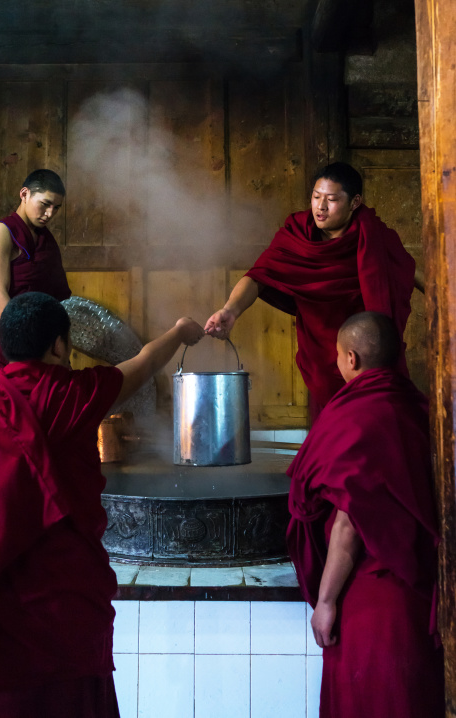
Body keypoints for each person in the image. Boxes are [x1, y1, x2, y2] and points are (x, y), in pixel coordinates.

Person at [0, 291, 205, 718]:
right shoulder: (70, 394)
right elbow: (140, 366)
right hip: (61, 608)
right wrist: (178, 332)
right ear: (58, 345)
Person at [286, 311, 444, 718]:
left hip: (373, 599)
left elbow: (349, 522)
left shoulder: (356, 416)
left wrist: (325, 601)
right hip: (419, 591)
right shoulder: (421, 409)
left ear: (351, 358)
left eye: (338, 356)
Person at [204, 163, 415, 415]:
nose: (320, 207)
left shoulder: (373, 236)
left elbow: (407, 270)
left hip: (364, 352)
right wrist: (230, 310)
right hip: (319, 352)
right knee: (332, 426)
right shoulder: (297, 234)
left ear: (355, 202)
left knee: (374, 417)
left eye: (332, 199)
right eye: (316, 197)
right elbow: (260, 275)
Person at [0, 169, 72, 380]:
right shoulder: (2, 232)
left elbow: (52, 299)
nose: (50, 214)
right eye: (45, 204)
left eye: (56, 208)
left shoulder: (46, 240)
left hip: (42, 340)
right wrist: (25, 348)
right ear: (24, 194)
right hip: (8, 339)